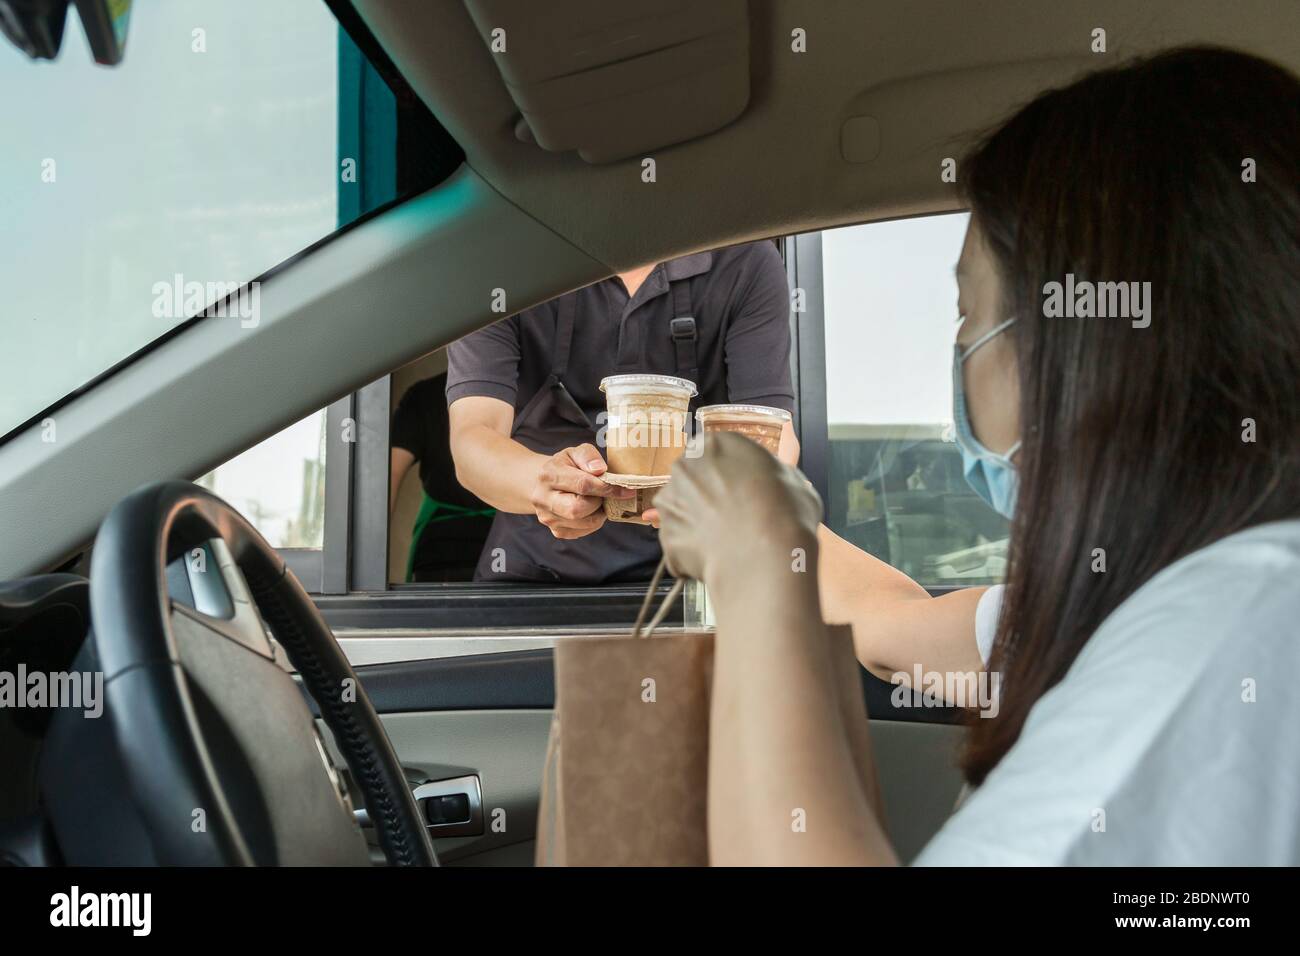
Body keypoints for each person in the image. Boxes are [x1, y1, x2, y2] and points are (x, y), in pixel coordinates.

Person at [653, 47, 1300, 865]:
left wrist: (751, 567)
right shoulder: (1130, 593)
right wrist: (768, 518)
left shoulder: (1230, 630)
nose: (959, 352)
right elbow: (888, 628)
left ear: (1081, 345)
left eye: (968, 313)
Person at [446, 244, 799, 584]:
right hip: (532, 576)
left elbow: (771, 435)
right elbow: (474, 440)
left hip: (694, 581)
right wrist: (545, 482)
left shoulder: (745, 261)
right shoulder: (501, 264)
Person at [390, 373, 495, 582]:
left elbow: (387, 477)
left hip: (440, 549)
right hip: (507, 546)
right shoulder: (527, 389)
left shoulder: (424, 393)